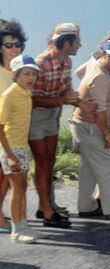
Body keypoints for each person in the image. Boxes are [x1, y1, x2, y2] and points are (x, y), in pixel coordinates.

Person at [30, 23, 94, 228]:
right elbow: (31, 99)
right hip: (36, 117)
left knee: (49, 161)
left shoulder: (66, 62)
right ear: (67, 43)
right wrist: (63, 101)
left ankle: (47, 205)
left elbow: (65, 92)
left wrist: (79, 102)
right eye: (77, 42)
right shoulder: (40, 63)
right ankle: (47, 211)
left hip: (52, 114)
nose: (80, 45)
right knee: (42, 162)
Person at [70, 40, 110, 221]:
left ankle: (86, 207)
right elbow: (98, 110)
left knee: (89, 171)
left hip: (86, 127)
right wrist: (107, 134)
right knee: (107, 167)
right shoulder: (99, 76)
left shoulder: (105, 71)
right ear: (103, 55)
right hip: (92, 128)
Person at [0, 55, 43, 243]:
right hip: (11, 149)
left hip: (22, 148)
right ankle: (16, 231)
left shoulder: (26, 93)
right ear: (16, 74)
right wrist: (9, 156)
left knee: (23, 188)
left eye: (33, 73)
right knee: (17, 189)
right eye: (26, 73)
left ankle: (25, 226)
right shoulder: (9, 94)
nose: (31, 77)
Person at [0, 19, 26, 233]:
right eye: (8, 45)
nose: (14, 49)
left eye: (17, 45)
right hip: (2, 133)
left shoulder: (18, 73)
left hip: (14, 135)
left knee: (7, 180)